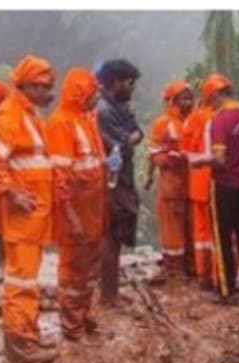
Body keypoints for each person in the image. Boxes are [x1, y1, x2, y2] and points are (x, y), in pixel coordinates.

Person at [0, 55, 58, 363]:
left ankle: (28, 335)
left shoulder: (29, 116)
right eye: (44, 87)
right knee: (21, 282)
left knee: (29, 280)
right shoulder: (9, 116)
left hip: (34, 217)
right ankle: (20, 347)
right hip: (21, 218)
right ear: (27, 86)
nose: (50, 93)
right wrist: (13, 193)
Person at [46, 68, 107, 340]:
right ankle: (71, 324)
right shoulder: (60, 123)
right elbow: (59, 176)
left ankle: (85, 313)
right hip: (76, 207)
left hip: (93, 204)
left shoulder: (85, 120)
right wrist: (69, 214)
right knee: (72, 265)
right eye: (94, 93)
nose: (97, 97)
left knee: (90, 264)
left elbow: (93, 163)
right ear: (81, 95)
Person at [95, 59, 144, 305]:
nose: (132, 88)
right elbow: (124, 143)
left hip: (121, 178)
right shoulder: (104, 110)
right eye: (129, 82)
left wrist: (132, 136)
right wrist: (131, 137)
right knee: (110, 236)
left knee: (117, 233)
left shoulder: (119, 107)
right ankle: (108, 294)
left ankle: (110, 290)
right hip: (110, 182)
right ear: (115, 82)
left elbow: (136, 134)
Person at [204, 81, 239, 299]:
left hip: (225, 184)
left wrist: (199, 161)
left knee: (222, 236)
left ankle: (227, 289)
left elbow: (219, 159)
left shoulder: (221, 120)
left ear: (215, 96)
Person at [183, 74, 230, 290]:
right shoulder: (223, 117)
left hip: (199, 180)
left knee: (202, 232)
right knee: (217, 232)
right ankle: (217, 277)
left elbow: (187, 151)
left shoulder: (195, 118)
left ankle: (205, 275)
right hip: (214, 180)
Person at [148, 81, 193, 274]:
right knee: (171, 226)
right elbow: (154, 153)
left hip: (192, 184)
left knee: (191, 225)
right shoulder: (162, 123)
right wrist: (175, 158)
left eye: (190, 97)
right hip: (171, 184)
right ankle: (174, 266)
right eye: (184, 98)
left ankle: (191, 263)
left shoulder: (194, 121)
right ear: (173, 100)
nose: (189, 102)